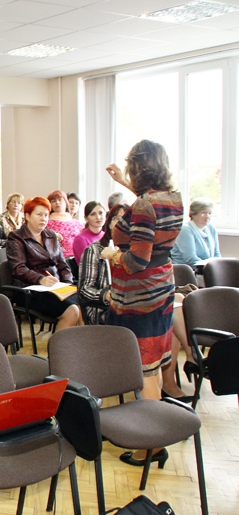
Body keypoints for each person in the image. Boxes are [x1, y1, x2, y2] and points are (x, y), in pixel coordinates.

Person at [101, 139, 184, 403]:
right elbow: (149, 206)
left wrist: (112, 254)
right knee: (153, 363)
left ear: (137, 167)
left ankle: (152, 442)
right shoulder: (173, 198)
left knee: (145, 368)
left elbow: (137, 260)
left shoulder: (143, 205)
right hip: (162, 285)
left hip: (140, 296)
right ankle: (155, 437)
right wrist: (124, 182)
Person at [5, 196, 83, 331]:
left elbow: (63, 264)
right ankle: (57, 351)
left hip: (55, 287)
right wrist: (41, 279)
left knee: (83, 306)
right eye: (39, 214)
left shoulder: (51, 235)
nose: (44, 218)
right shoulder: (16, 237)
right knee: (72, 312)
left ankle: (78, 349)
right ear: (28, 216)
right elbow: (18, 269)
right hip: (31, 290)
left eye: (46, 215)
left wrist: (67, 283)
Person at [78, 204, 130, 326]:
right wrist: (105, 295)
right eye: (117, 218)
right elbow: (84, 289)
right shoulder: (94, 250)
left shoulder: (135, 252)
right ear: (109, 223)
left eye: (127, 219)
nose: (122, 223)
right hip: (104, 308)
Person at [171, 198, 221, 270]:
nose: (207, 216)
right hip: (187, 271)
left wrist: (219, 267)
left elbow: (217, 254)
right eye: (203, 213)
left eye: (209, 213)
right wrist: (210, 270)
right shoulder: (185, 230)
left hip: (207, 270)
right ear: (193, 214)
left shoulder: (211, 228)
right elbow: (190, 258)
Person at [46, 190, 81, 258]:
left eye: (60, 200)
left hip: (75, 260)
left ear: (66, 202)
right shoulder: (45, 223)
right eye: (53, 201)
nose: (57, 203)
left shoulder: (78, 224)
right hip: (54, 260)